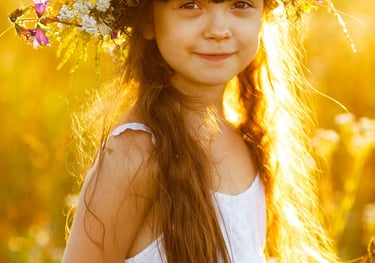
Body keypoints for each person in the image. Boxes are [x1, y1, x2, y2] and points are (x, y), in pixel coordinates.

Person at [10, 0, 338, 262]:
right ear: (148, 21)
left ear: (265, 12)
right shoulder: (134, 153)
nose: (219, 30)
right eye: (190, 5)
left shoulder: (244, 136)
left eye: (240, 4)